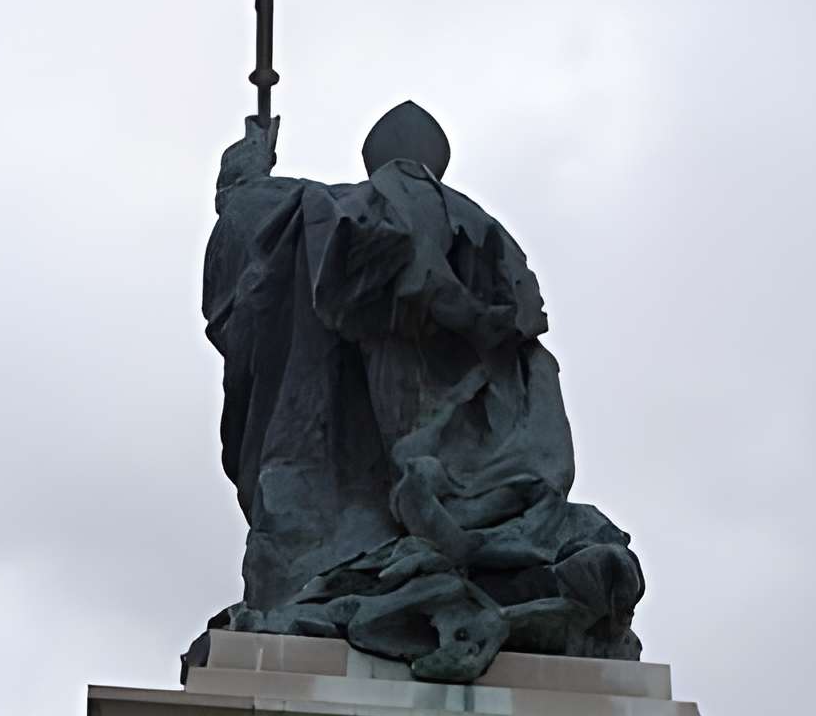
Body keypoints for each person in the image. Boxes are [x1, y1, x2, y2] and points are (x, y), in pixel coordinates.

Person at [195, 101, 644, 683]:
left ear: (370, 157)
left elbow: (251, 227)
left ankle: (384, 571)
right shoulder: (486, 233)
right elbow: (524, 347)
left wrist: (242, 178)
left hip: (342, 467)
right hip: (482, 471)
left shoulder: (323, 209)